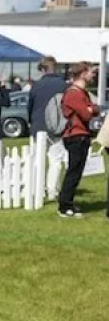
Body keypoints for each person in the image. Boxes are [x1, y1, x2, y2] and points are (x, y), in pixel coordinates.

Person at [57, 61, 98, 218]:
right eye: (91, 72)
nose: (93, 75)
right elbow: (86, 114)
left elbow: (93, 109)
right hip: (75, 135)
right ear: (83, 73)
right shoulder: (74, 93)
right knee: (73, 172)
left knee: (77, 171)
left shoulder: (82, 93)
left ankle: (68, 202)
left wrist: (91, 108)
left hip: (82, 134)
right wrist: (91, 109)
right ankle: (64, 205)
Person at [27, 56, 68, 202]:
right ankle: (52, 191)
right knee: (55, 160)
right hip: (57, 126)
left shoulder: (36, 85)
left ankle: (38, 189)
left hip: (38, 126)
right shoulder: (63, 85)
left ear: (43, 69)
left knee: (37, 159)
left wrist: (31, 122)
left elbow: (30, 107)